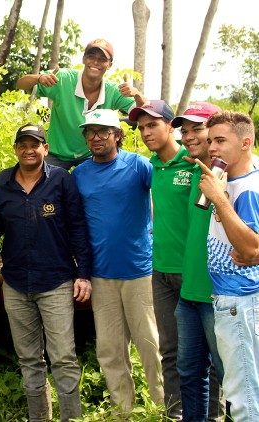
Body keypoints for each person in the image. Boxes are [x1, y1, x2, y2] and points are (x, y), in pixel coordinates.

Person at [0, 125, 92, 422]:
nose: (29, 149)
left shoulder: (62, 181)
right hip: (15, 282)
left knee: (64, 357)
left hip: (55, 280)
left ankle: (72, 418)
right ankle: (38, 418)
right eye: (23, 144)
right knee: (29, 358)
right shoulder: (2, 183)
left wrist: (83, 273)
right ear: (16, 148)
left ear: (45, 148)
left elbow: (78, 227)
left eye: (35, 144)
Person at [72, 109, 164, 414]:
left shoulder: (138, 165)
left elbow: (165, 194)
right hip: (101, 274)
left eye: (103, 131)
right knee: (110, 349)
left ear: (117, 135)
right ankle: (122, 411)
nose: (96, 137)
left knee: (151, 345)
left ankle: (163, 408)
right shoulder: (80, 174)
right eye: (90, 132)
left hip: (140, 271)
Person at [197, 111, 259, 421]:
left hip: (240, 302)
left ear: (246, 142)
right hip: (239, 301)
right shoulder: (238, 177)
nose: (212, 148)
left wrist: (220, 201)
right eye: (210, 141)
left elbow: (251, 248)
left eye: (221, 140)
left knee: (243, 397)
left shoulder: (246, 189)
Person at [128, 100, 188, 420]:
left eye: (153, 125)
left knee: (203, 351)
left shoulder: (192, 161)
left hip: (193, 271)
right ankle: (175, 413)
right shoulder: (151, 166)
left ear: (170, 126)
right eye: (141, 128)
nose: (146, 132)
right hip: (159, 270)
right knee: (169, 349)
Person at [170, 102, 225, 422]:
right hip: (189, 293)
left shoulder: (232, 175)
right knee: (190, 374)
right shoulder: (193, 172)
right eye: (185, 130)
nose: (188, 136)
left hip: (218, 296)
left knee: (230, 375)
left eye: (197, 129)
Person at [16, 38, 146, 169]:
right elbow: (21, 84)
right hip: (56, 155)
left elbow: (144, 113)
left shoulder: (113, 91)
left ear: (109, 65)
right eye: (91, 56)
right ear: (84, 59)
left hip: (91, 156)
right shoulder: (62, 79)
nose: (96, 62)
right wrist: (39, 78)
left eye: (102, 59)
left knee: (97, 186)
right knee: (45, 186)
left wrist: (137, 95)